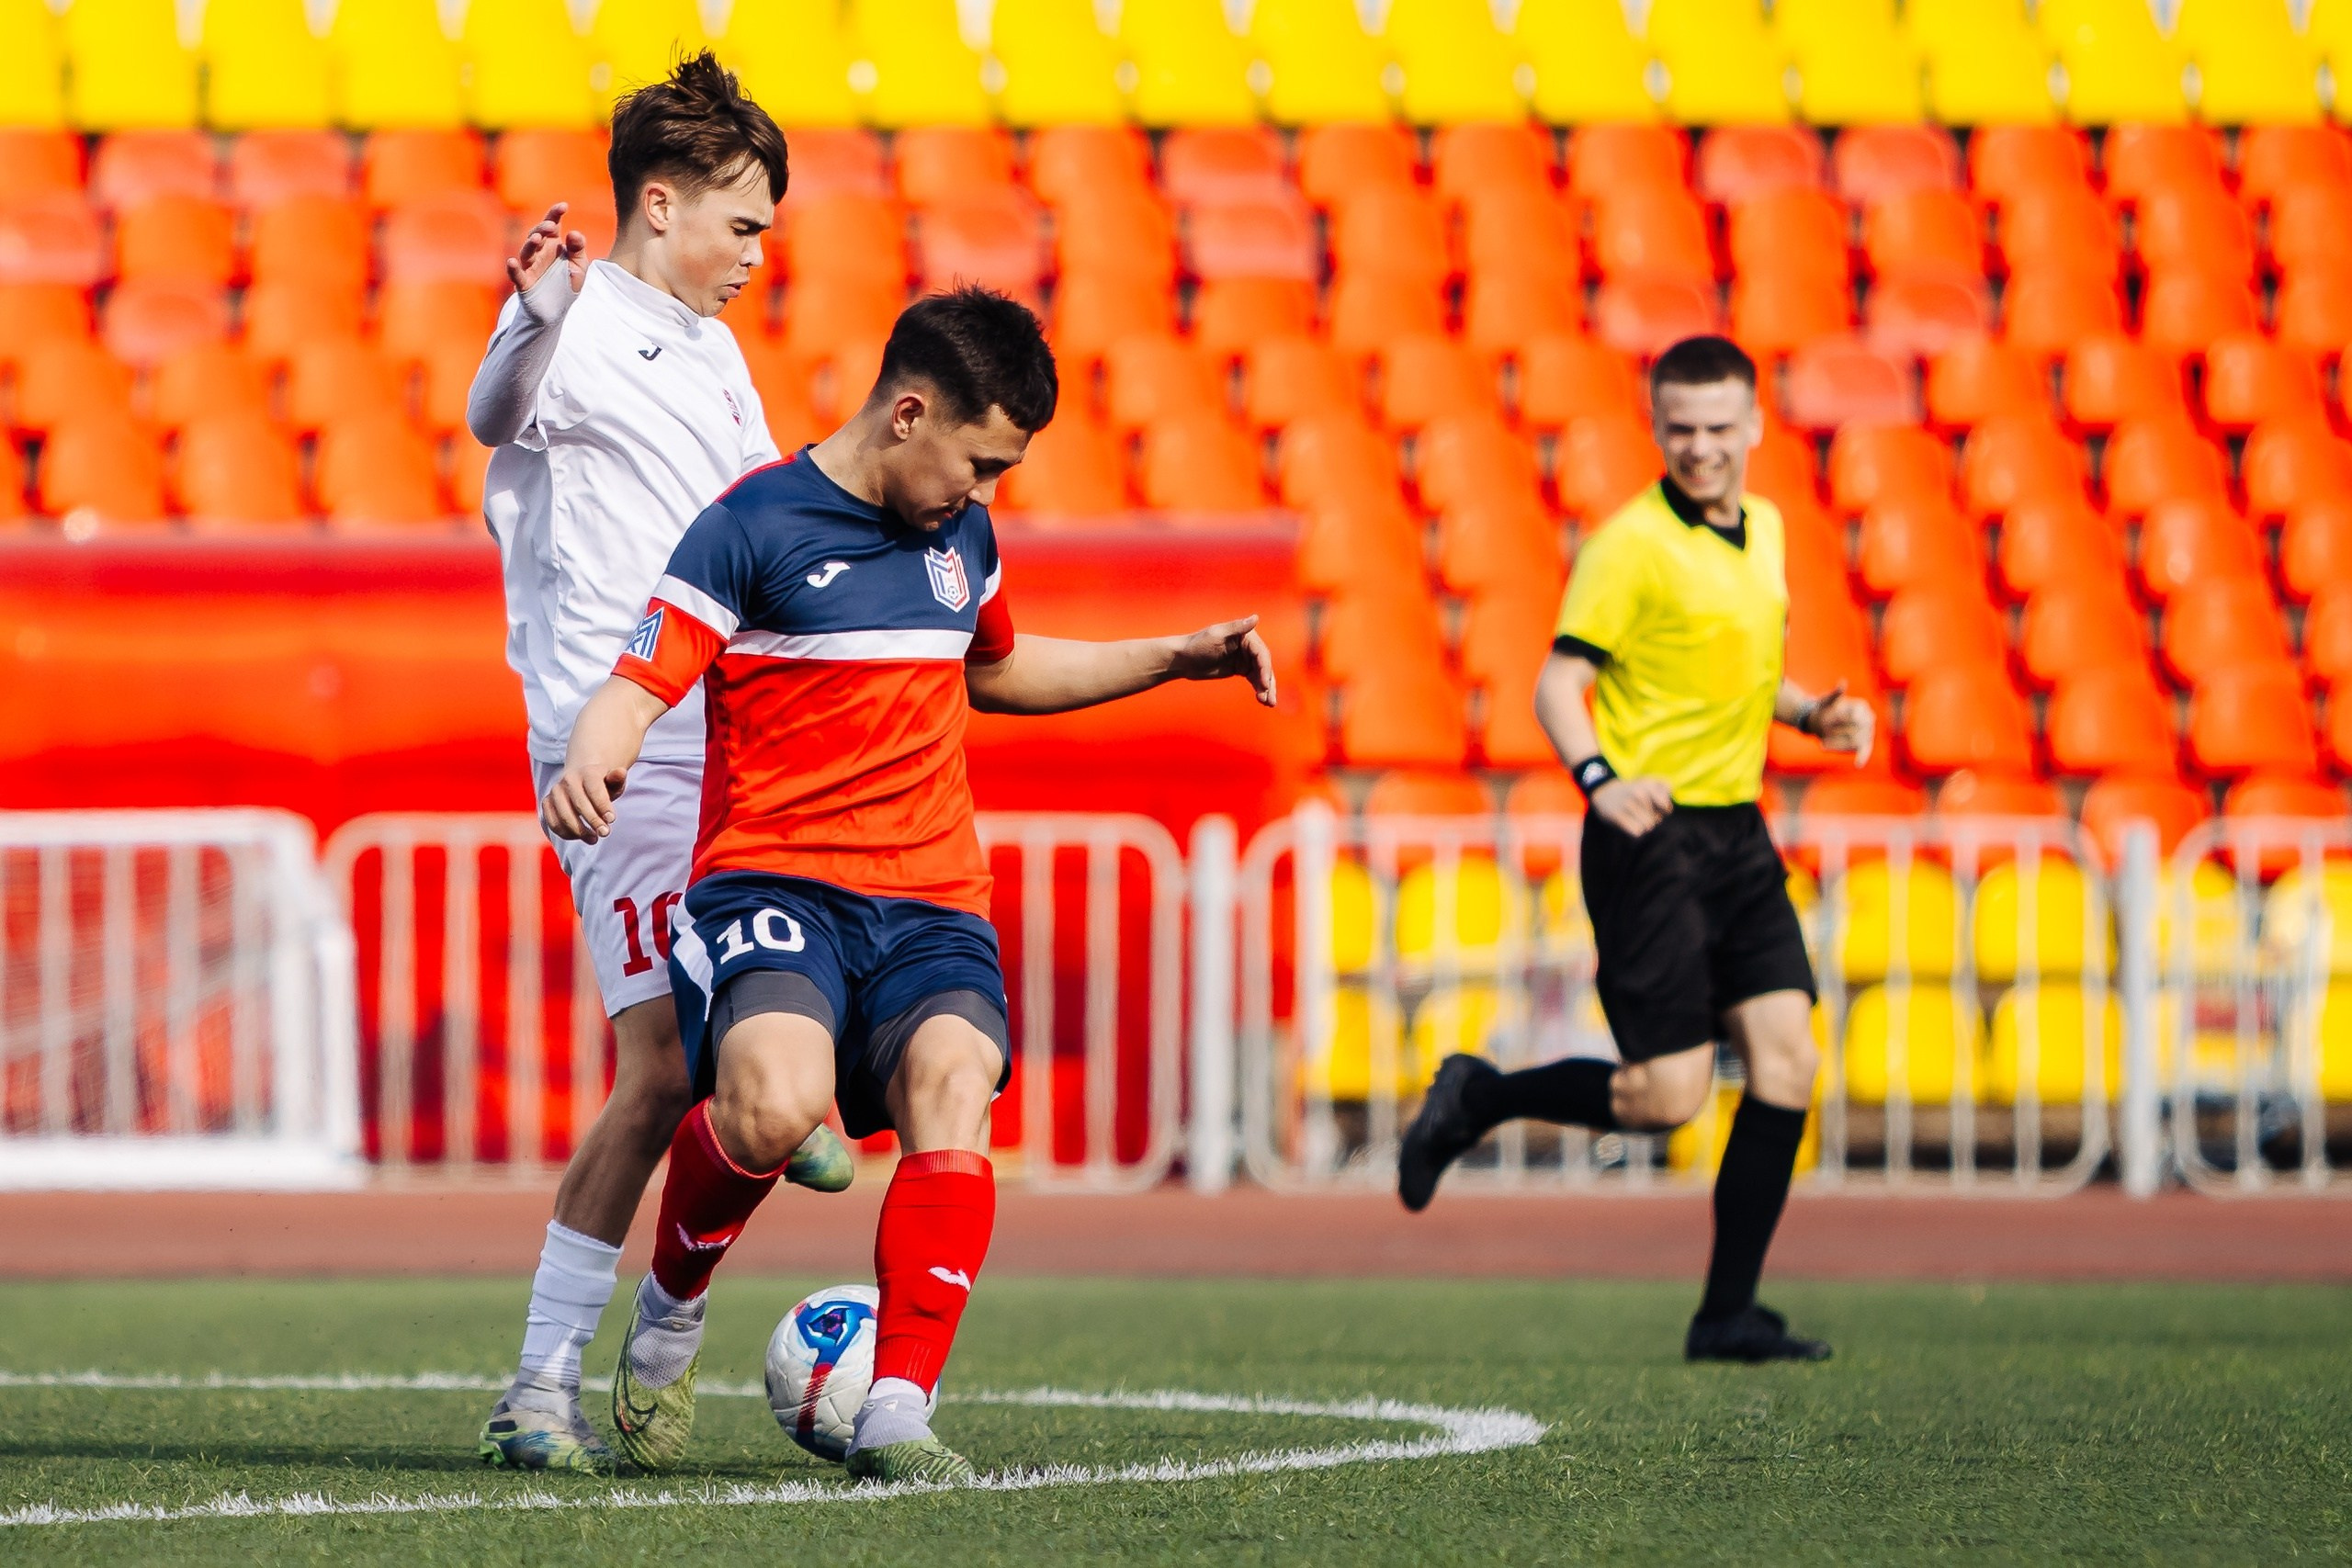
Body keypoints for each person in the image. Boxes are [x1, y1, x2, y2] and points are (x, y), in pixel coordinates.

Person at [541, 286, 1279, 1483]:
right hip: (772, 883)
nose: (984, 496)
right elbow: (640, 679)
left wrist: (1173, 656)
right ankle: (670, 1312)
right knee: (773, 1108)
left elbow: (995, 667)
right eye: (979, 463)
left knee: (956, 1076)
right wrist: (597, 746)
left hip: (932, 897)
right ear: (910, 413)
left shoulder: (961, 541)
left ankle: (896, 1406)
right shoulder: (752, 524)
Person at [469, 52, 850, 1476]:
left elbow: (762, 517)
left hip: (740, 727)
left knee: (784, 1034)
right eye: (743, 226)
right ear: (661, 202)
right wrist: (531, 311)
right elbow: (496, 413)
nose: (759, 255)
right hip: (613, 741)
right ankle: (538, 1382)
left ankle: (710, 1239)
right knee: (656, 1068)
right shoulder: (572, 320)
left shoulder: (713, 347)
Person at [1396, 334, 1873, 1364]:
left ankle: (1726, 1314)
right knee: (1669, 1098)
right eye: (1681, 431)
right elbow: (1557, 686)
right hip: (1648, 839)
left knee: (1789, 1059)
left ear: (1753, 428)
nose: (1701, 449)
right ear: (1657, 431)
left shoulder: (1771, 528)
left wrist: (1807, 714)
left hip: (1737, 832)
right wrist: (1601, 784)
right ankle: (1481, 1095)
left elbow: (1733, 670)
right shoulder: (1629, 546)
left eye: (1718, 429)